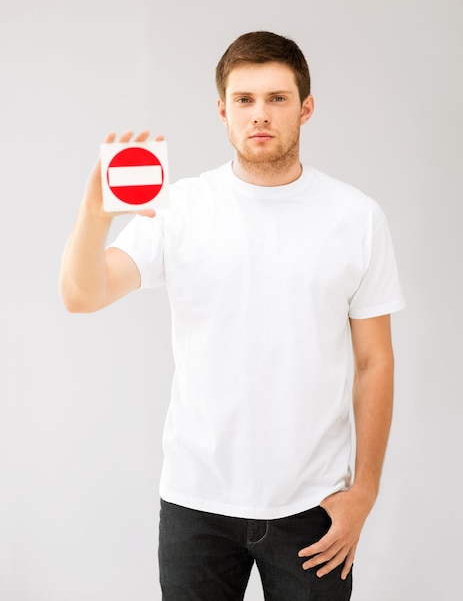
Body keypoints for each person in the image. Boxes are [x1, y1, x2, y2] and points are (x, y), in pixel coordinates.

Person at [60, 31, 406, 600]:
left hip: (313, 507)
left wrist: (363, 490)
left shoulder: (356, 217)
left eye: (277, 98)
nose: (260, 114)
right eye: (244, 100)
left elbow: (375, 361)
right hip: (197, 504)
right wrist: (94, 214)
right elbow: (82, 294)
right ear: (222, 111)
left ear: (306, 107)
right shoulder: (180, 209)